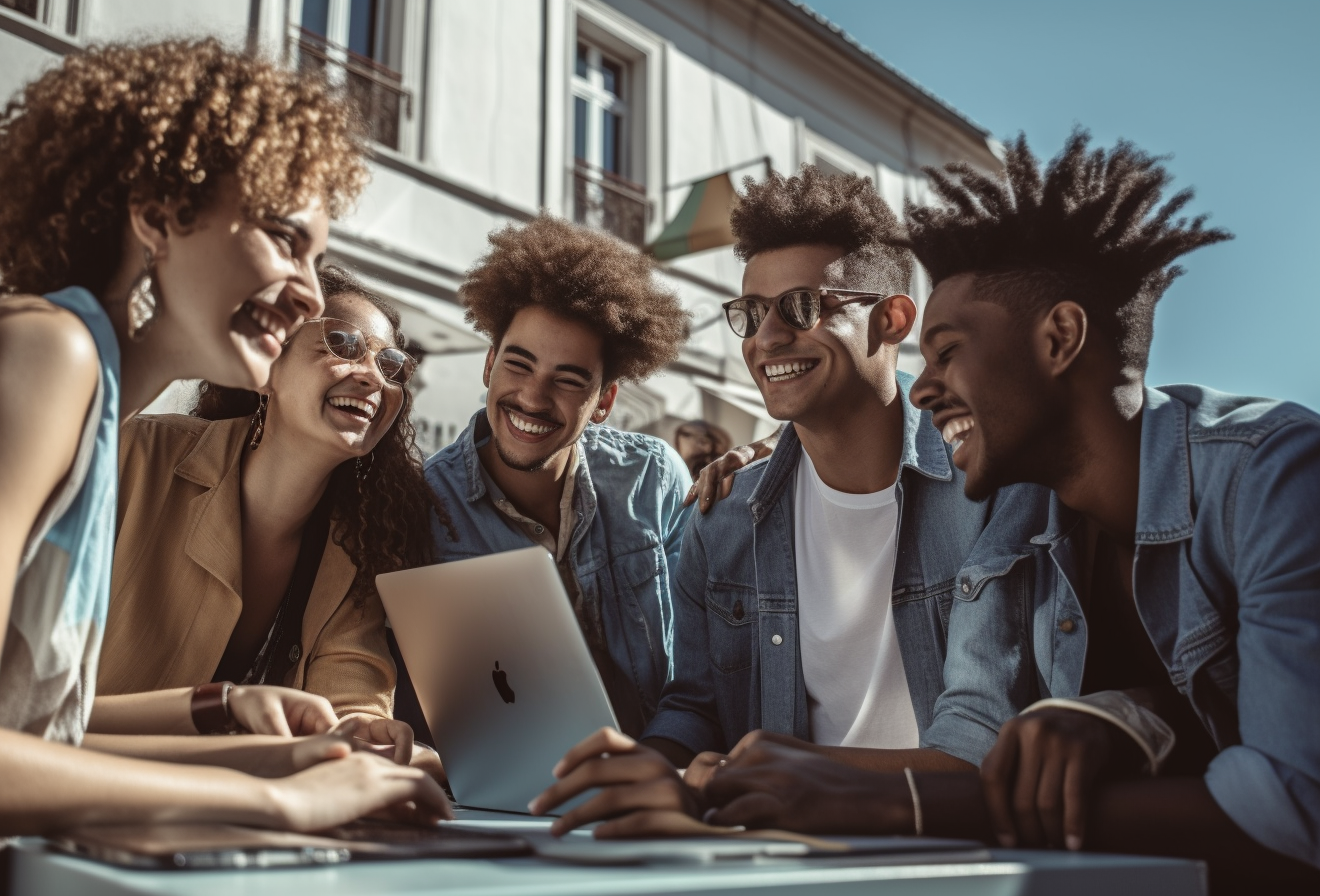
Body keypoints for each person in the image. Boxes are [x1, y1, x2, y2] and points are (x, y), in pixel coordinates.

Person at [697, 131, 1320, 890]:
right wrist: (1133, 714)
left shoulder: (1275, 475)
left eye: (948, 351)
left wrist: (904, 804)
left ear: (1060, 337)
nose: (922, 389)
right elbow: (1024, 727)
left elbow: (1296, 810)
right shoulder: (1032, 509)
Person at [0, 39, 448, 893]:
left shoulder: (95, 400)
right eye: (285, 238)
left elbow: (31, 739)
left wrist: (267, 745)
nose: (305, 288)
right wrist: (278, 802)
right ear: (156, 213)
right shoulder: (51, 351)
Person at [531, 165, 1061, 834]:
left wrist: (791, 771)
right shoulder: (719, 519)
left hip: (954, 854)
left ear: (892, 319)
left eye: (804, 307)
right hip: (777, 854)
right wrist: (649, 768)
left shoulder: (991, 490)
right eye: (751, 314)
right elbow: (695, 706)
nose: (768, 338)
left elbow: (983, 741)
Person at [91, 265, 448, 775]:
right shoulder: (136, 456)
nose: (373, 375)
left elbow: (350, 702)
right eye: (342, 344)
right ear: (267, 370)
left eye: (392, 365)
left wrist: (371, 738)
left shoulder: (358, 547)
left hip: (208, 821)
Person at [397, 214, 693, 739]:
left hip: (656, 781)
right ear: (488, 365)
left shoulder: (654, 479)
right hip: (511, 799)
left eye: (569, 379)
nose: (533, 398)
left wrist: (664, 759)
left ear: (604, 401)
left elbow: (699, 663)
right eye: (518, 364)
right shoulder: (421, 507)